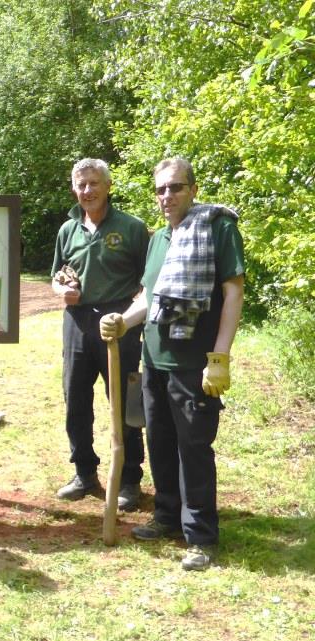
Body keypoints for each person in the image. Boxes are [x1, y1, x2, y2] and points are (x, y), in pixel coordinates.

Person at [99, 157, 244, 571]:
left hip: (194, 363)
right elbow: (150, 296)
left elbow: (233, 293)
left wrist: (219, 357)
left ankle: (200, 536)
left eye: (176, 187)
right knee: (159, 442)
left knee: (193, 447)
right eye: (161, 189)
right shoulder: (159, 238)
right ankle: (166, 516)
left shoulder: (217, 229)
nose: (167, 196)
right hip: (154, 360)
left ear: (193, 189)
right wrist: (122, 321)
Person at [51, 158, 149, 510]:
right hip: (77, 323)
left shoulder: (133, 227)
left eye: (93, 183)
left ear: (108, 186)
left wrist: (129, 315)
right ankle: (84, 473)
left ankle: (128, 479)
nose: (87, 191)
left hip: (118, 323)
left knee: (124, 403)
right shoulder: (68, 230)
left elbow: (148, 282)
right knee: (75, 400)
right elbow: (56, 276)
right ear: (74, 189)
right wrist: (62, 291)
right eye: (81, 185)